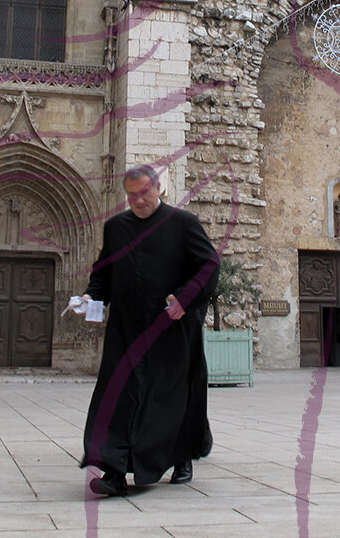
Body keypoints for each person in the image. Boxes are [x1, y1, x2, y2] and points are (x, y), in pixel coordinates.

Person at [80, 165, 220, 497]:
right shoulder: (116, 227)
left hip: (170, 328)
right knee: (117, 398)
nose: (138, 200)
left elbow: (209, 264)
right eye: (131, 195)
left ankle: (180, 457)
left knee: (168, 398)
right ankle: (113, 471)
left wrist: (185, 299)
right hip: (126, 329)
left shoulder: (183, 224)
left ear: (158, 189)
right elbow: (104, 273)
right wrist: (90, 296)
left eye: (144, 193)